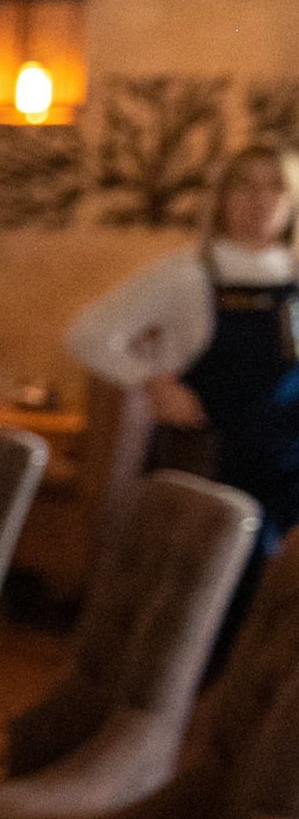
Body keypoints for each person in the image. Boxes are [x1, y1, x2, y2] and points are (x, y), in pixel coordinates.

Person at [69, 143, 299, 623]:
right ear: (223, 197)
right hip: (215, 470)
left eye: (274, 186)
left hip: (288, 474)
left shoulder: (294, 276)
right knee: (204, 614)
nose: (260, 199)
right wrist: (151, 382)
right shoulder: (188, 275)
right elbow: (86, 334)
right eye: (246, 185)